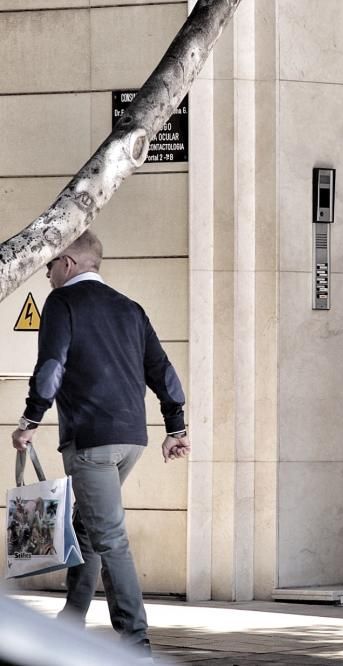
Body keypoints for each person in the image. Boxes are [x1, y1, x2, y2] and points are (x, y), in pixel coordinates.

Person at [10, 230, 190, 661]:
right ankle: (70, 624)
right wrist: (176, 426)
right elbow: (162, 371)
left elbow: (51, 366)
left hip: (91, 441)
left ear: (68, 263)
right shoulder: (130, 309)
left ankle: (136, 642)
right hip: (132, 439)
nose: (47, 274)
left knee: (109, 538)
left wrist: (30, 419)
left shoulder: (63, 302)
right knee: (88, 528)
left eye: (50, 265)